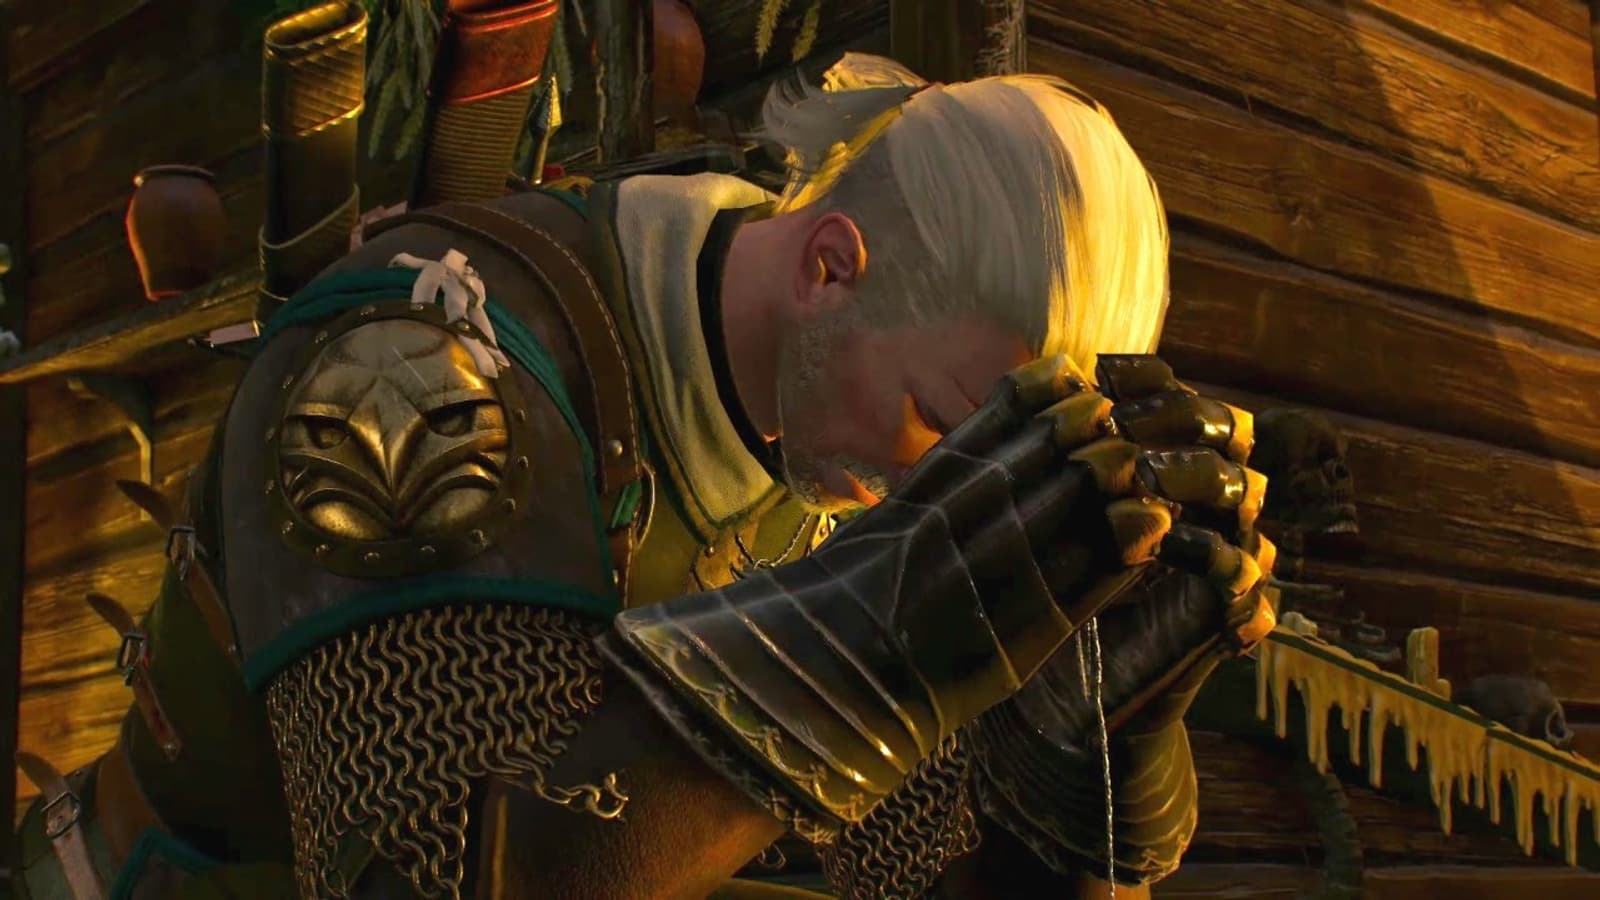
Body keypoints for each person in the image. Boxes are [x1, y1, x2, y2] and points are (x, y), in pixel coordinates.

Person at [10, 54, 1274, 900]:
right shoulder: (420, 366)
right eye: (932, 421)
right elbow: (434, 874)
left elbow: (903, 872)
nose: (922, 493)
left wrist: (1081, 753)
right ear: (829, 264)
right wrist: (881, 645)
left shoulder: (819, 448)